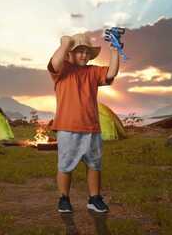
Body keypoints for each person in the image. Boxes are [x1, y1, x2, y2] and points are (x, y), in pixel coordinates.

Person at [47, 32, 120, 213]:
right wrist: (65, 43)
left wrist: (115, 51)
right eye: (79, 51)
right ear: (70, 53)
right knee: (65, 165)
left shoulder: (93, 71)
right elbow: (54, 62)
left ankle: (94, 198)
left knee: (94, 164)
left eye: (87, 52)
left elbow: (111, 72)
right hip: (67, 127)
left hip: (91, 127)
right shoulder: (62, 70)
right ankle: (64, 198)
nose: (84, 55)